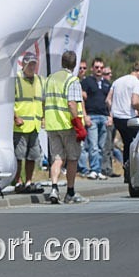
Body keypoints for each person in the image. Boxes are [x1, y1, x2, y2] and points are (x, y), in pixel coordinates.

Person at [43, 50, 88, 204]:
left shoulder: (50, 79)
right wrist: (79, 125)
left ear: (62, 62)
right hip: (67, 125)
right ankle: (70, 191)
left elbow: (44, 100)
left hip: (51, 124)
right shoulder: (72, 80)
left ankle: (54, 188)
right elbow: (72, 104)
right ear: (74, 64)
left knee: (57, 158)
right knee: (72, 158)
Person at [106, 61, 139, 182]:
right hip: (129, 118)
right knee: (137, 144)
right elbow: (135, 102)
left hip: (117, 118)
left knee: (127, 144)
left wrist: (113, 111)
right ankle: (134, 170)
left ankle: (127, 172)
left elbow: (108, 100)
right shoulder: (137, 83)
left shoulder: (117, 81)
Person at [11, 51, 45, 194]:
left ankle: (29, 181)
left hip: (35, 125)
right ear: (23, 64)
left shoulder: (40, 80)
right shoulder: (16, 80)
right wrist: (15, 117)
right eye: (29, 64)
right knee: (19, 157)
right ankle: (18, 181)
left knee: (32, 156)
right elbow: (9, 102)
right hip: (21, 125)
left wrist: (43, 117)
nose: (32, 67)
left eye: (34, 64)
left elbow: (42, 101)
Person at [79, 57, 110, 180]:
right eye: (96, 67)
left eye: (101, 67)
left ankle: (100, 169)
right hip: (92, 116)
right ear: (92, 68)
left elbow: (110, 101)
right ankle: (94, 169)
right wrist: (85, 115)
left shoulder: (107, 84)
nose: (99, 70)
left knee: (102, 146)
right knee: (93, 145)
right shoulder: (87, 82)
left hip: (104, 117)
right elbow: (81, 99)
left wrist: (110, 116)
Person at [99, 65, 120, 178]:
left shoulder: (110, 86)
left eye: (110, 73)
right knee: (105, 146)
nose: (109, 76)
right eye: (107, 74)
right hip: (106, 118)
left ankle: (109, 168)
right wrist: (110, 115)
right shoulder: (103, 86)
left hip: (111, 118)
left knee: (111, 146)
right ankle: (104, 168)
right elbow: (108, 101)